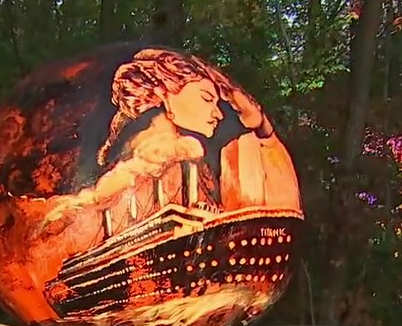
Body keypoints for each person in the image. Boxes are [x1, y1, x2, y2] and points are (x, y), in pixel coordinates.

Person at [39, 48, 299, 236]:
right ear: (165, 96)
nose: (218, 113)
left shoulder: (209, 156)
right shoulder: (152, 160)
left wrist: (262, 127)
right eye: (206, 98)